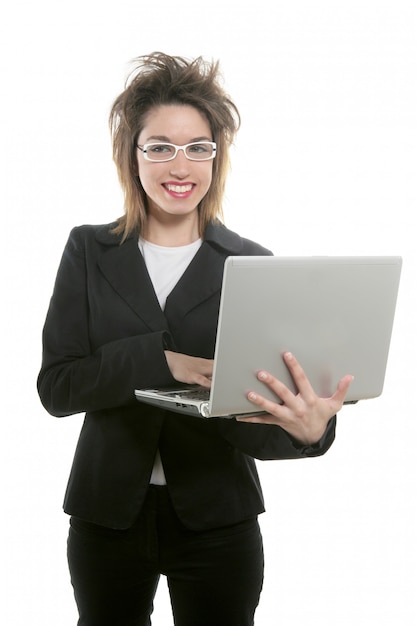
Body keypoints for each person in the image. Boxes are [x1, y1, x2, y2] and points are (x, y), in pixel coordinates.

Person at [37, 52, 353, 626]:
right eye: (159, 146)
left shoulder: (251, 264)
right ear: (131, 156)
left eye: (197, 147)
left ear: (217, 157)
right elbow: (58, 388)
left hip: (218, 521)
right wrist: (162, 362)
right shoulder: (88, 250)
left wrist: (310, 433)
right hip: (107, 516)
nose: (178, 165)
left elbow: (256, 417)